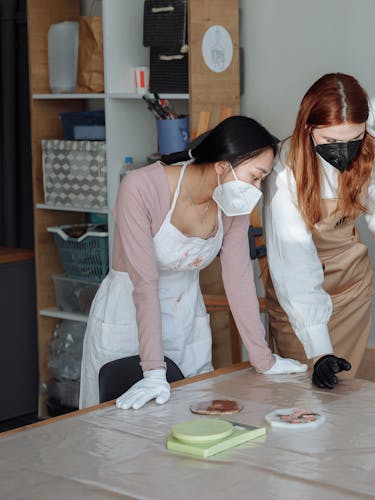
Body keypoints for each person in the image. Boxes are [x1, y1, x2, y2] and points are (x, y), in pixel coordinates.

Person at [79, 116, 306, 410]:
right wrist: (153, 371)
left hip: (186, 320)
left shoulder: (231, 202)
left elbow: (239, 280)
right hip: (128, 318)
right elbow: (144, 283)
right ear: (223, 165)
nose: (257, 188)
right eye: (255, 176)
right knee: (123, 436)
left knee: (190, 424)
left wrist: (263, 359)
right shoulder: (141, 187)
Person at [263, 73, 375, 389]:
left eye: (354, 138)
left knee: (346, 393)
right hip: (299, 299)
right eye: (332, 142)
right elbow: (294, 263)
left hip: (351, 289)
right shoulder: (285, 164)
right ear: (308, 128)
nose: (344, 151)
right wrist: (319, 350)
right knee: (302, 396)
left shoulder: (372, 149)